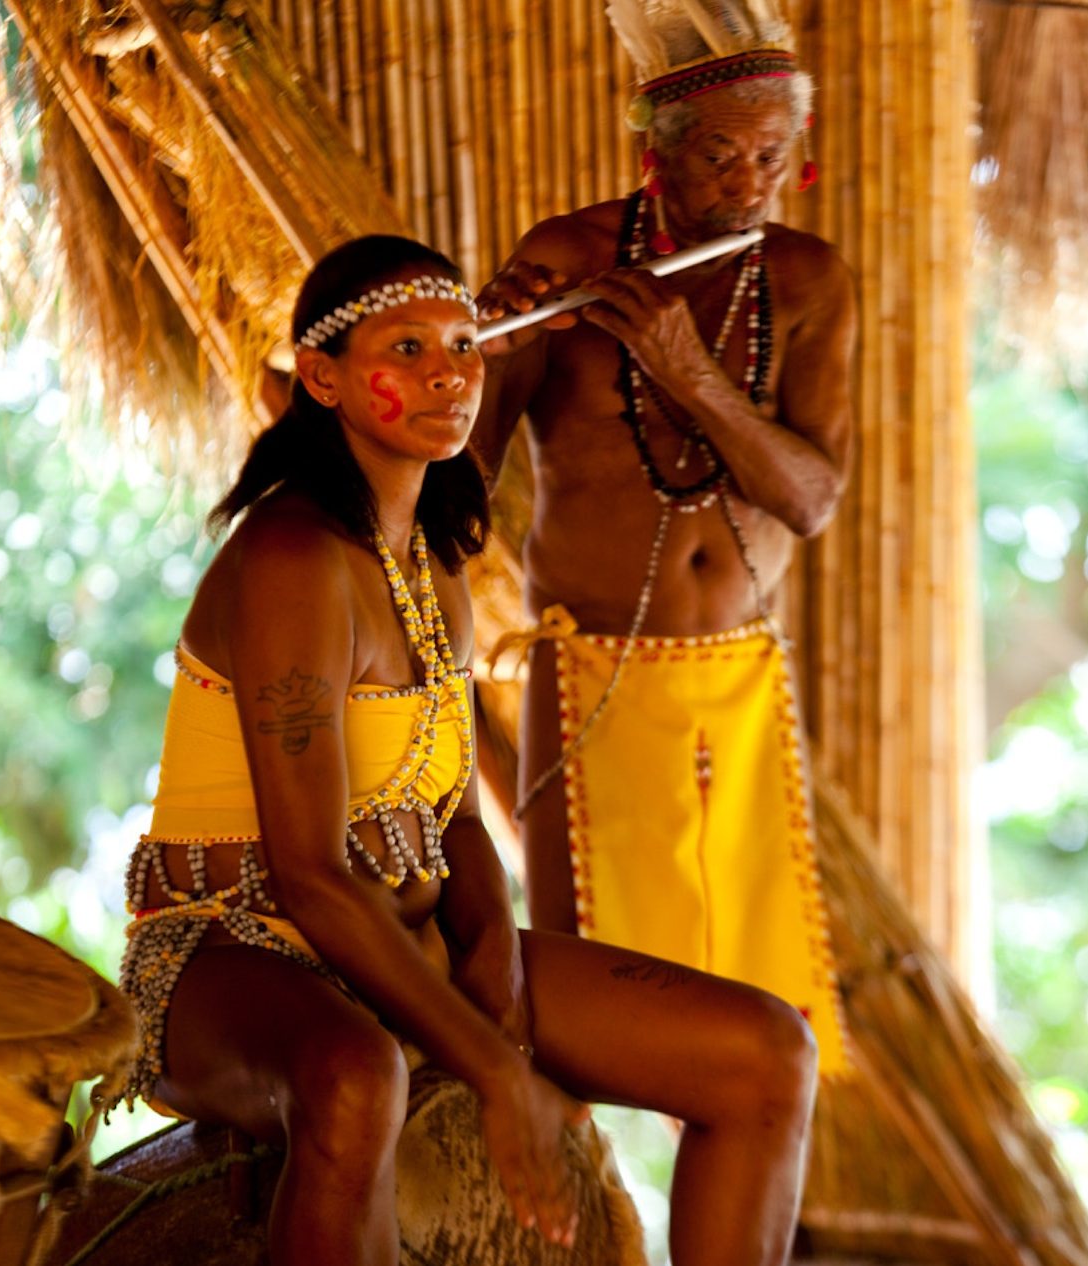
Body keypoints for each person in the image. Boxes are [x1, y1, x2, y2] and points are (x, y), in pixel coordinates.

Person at [112, 234, 818, 1266]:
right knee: (357, 1079)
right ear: (323, 379)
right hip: (231, 956)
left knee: (764, 1052)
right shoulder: (291, 556)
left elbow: (448, 816)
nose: (448, 374)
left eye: (464, 344)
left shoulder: (429, 563)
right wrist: (491, 1065)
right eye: (406, 349)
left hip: (410, 950)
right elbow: (308, 877)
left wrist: (490, 955)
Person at [473, 3, 857, 1074]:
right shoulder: (567, 255)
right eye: (721, 158)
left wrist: (686, 376)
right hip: (587, 665)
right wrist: (492, 342)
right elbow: (461, 467)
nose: (746, 186)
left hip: (738, 672)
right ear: (658, 153)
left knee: (762, 1017)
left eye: (770, 158)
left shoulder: (809, 281)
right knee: (569, 996)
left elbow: (811, 496)